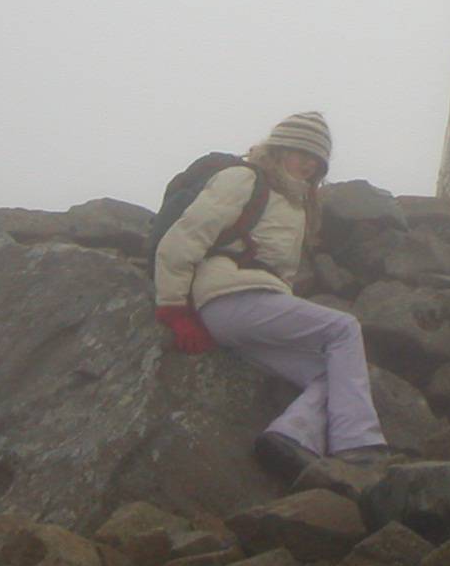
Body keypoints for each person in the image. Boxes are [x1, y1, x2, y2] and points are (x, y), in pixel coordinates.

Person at [151, 111, 391, 479]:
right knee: (343, 329)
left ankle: (289, 436)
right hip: (230, 300)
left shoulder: (296, 205)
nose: (310, 164)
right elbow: (184, 239)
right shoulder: (243, 179)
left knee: (333, 373)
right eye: (302, 152)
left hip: (249, 312)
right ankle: (358, 446)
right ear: (279, 148)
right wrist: (174, 310)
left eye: (318, 160)